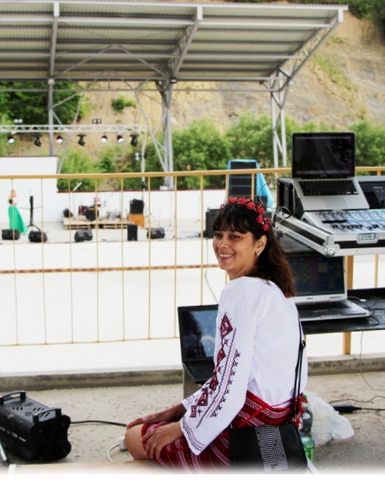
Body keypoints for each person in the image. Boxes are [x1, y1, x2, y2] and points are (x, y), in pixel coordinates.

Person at [124, 196, 306, 472]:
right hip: (275, 426)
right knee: (156, 427)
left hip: (243, 435)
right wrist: (179, 409)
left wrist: (182, 427)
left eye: (235, 237)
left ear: (259, 244)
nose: (222, 244)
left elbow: (229, 388)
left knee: (134, 437)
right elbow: (234, 378)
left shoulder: (241, 292)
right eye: (218, 235)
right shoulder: (275, 290)